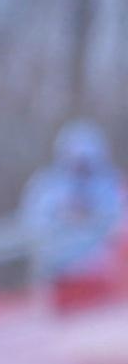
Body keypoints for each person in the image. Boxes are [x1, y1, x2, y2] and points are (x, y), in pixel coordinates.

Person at [21, 121, 122, 307]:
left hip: (102, 276)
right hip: (62, 278)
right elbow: (35, 226)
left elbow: (116, 223)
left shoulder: (108, 183)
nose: (80, 168)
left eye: (85, 162)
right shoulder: (47, 187)